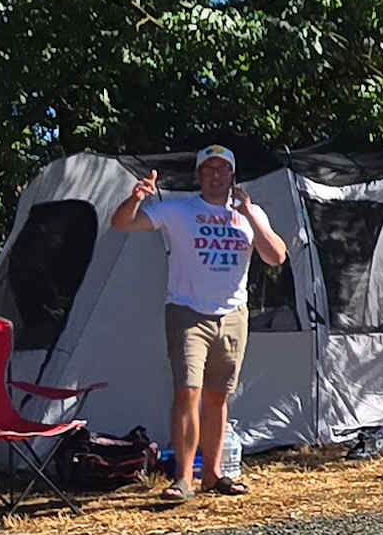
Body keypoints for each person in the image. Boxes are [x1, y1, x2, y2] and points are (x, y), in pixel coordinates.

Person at [109, 145, 288, 501]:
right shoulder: (178, 210)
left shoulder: (249, 215)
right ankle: (183, 479)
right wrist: (136, 199)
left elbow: (276, 256)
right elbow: (122, 223)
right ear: (199, 175)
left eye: (223, 169)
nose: (216, 175)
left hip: (233, 315)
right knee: (187, 393)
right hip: (188, 312)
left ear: (232, 176)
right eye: (208, 169)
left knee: (218, 398)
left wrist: (250, 213)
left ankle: (213, 474)